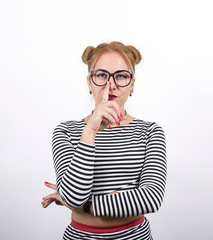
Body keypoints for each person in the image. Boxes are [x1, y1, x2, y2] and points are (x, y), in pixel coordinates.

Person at [41, 41, 167, 239]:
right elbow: (74, 197)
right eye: (101, 75)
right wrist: (90, 130)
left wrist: (88, 205)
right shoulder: (66, 131)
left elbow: (151, 199)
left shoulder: (149, 132)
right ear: (89, 83)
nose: (111, 85)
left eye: (122, 76)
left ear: (132, 84)